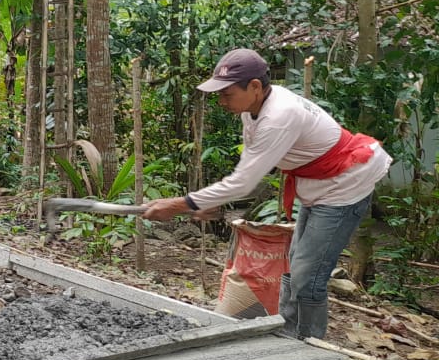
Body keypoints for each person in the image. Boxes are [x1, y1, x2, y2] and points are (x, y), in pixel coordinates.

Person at [143, 48, 391, 339]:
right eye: (219, 95)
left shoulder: (279, 115)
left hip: (345, 183)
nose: (222, 101)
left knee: (309, 274)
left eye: (227, 94)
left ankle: (307, 343)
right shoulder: (253, 110)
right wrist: (204, 202)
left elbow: (243, 183)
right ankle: (288, 331)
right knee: (297, 263)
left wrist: (178, 204)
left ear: (255, 87)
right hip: (318, 183)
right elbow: (248, 167)